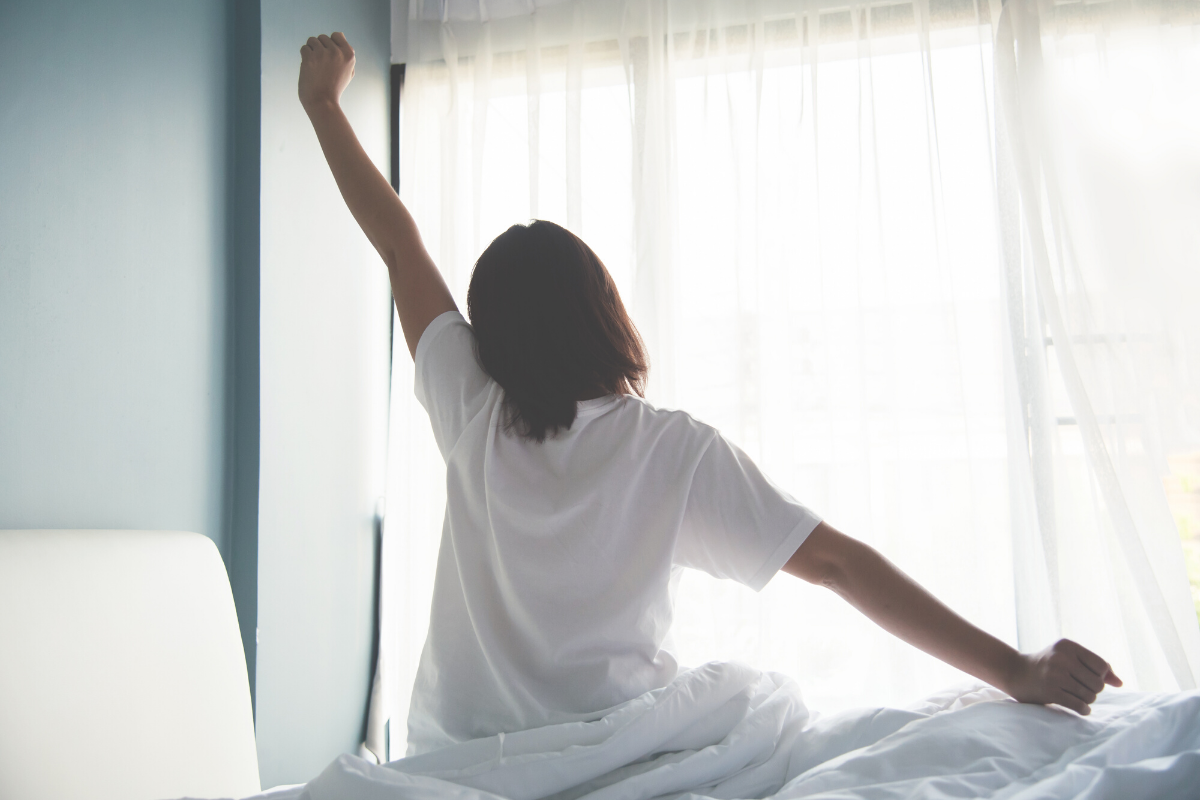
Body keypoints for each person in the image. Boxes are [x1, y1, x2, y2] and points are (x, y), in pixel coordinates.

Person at [298, 32, 1122, 757]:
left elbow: (396, 238)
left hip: (460, 769)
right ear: (603, 312)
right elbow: (837, 562)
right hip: (618, 760)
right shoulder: (671, 449)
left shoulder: (469, 407)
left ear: (493, 338)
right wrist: (1015, 669)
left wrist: (323, 105)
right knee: (769, 709)